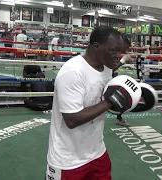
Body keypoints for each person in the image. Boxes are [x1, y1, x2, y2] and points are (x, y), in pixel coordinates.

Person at [46, 26, 132, 180]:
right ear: (96, 47)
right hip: (68, 159)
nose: (117, 55)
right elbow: (72, 120)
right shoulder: (73, 72)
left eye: (120, 51)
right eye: (113, 50)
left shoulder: (106, 66)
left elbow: (107, 74)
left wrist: (133, 99)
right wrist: (110, 101)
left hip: (97, 152)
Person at [112, 36, 133, 127]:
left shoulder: (117, 52)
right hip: (103, 77)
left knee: (122, 97)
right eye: (127, 47)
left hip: (110, 77)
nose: (127, 50)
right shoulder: (112, 51)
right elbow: (111, 68)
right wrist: (123, 60)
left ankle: (119, 118)